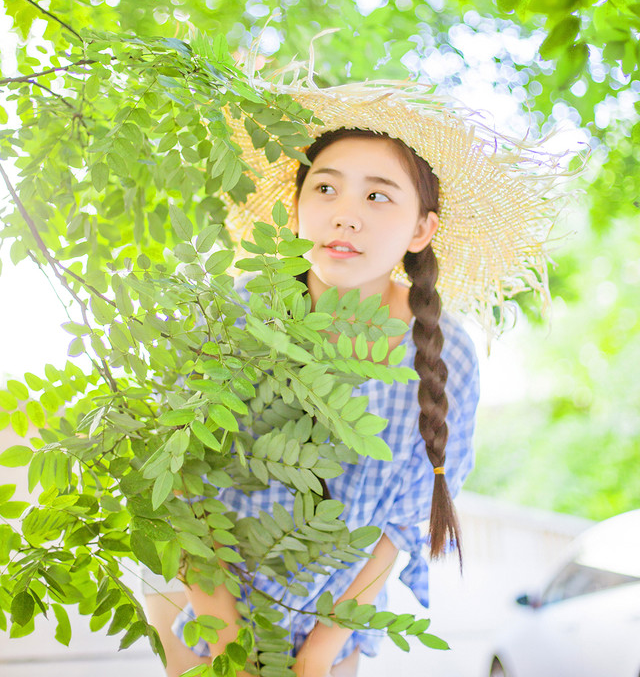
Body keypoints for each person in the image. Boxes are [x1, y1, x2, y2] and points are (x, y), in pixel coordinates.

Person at [143, 47, 569, 677]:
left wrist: (321, 649)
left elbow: (402, 519)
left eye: (378, 195)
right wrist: (228, 633)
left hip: (335, 615)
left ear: (422, 229)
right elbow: (174, 478)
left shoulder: (446, 353)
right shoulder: (233, 318)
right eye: (325, 187)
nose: (346, 212)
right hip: (205, 597)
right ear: (296, 208)